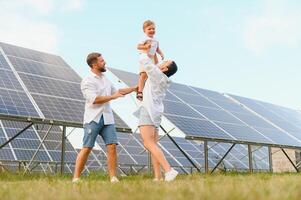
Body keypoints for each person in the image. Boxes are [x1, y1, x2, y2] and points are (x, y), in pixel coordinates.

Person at [73, 52, 137, 183]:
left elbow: (118, 92)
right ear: (94, 64)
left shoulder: (105, 79)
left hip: (108, 119)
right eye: (102, 61)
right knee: (87, 148)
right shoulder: (87, 81)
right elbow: (94, 99)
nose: (105, 62)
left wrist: (135, 88)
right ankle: (76, 178)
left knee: (112, 146)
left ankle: (113, 178)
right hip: (93, 119)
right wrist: (113, 97)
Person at [134, 53, 178, 182]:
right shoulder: (162, 78)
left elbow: (145, 61)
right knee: (153, 144)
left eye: (165, 62)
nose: (162, 61)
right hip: (156, 113)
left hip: (148, 111)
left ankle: (169, 170)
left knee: (148, 143)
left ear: (164, 69)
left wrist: (144, 49)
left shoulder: (157, 75)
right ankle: (158, 176)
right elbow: (152, 65)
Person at [136, 20, 165, 101]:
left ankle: (148, 91)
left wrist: (161, 54)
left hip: (152, 58)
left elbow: (157, 48)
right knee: (143, 74)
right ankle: (140, 91)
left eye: (153, 29)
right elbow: (138, 46)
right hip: (144, 57)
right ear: (144, 30)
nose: (152, 30)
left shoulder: (156, 39)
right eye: (149, 29)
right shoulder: (144, 38)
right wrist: (145, 47)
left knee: (152, 75)